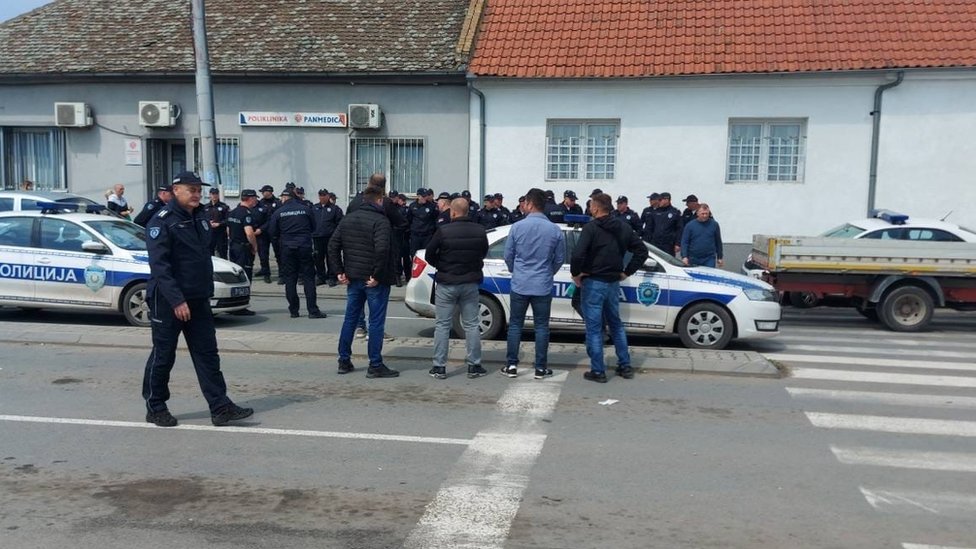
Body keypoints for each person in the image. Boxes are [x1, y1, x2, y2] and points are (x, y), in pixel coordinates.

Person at [142, 171, 253, 427]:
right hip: (169, 300)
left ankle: (220, 406)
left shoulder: (201, 217)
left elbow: (202, 258)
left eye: (198, 189)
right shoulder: (162, 221)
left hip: (198, 298)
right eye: (191, 189)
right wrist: (177, 300)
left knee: (207, 354)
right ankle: (155, 406)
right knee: (163, 355)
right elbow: (160, 267)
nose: (196, 194)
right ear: (175, 190)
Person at [571, 192, 648, 383]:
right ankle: (625, 365)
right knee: (616, 324)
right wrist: (626, 272)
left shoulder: (591, 228)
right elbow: (642, 251)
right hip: (613, 282)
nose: (589, 209)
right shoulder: (623, 227)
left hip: (594, 281)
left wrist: (576, 274)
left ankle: (598, 371)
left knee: (594, 327)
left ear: (596, 208)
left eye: (591, 206)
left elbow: (578, 254)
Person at [328, 186, 399, 378]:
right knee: (376, 322)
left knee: (350, 319)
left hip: (353, 277)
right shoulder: (381, 221)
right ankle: (375, 364)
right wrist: (376, 275)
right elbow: (382, 250)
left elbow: (332, 245)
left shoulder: (347, 219)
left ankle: (344, 360)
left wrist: (339, 271)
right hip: (374, 280)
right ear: (378, 201)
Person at [502, 188, 565, 379]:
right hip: (542, 283)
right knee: (542, 327)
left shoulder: (517, 227)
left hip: (520, 282)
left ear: (529, 204)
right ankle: (540, 368)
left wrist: (516, 270)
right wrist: (548, 272)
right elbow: (559, 259)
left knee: (515, 325)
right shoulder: (554, 229)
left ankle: (512, 365)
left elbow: (508, 255)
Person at [425, 198, 489, 380]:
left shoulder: (443, 231)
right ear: (467, 211)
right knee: (471, 325)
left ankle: (439, 367)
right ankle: (474, 365)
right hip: (470, 282)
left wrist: (442, 265)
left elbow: (430, 253)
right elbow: (483, 252)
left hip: (447, 282)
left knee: (442, 325)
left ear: (452, 212)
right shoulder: (479, 230)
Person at [269, 189, 324, 319]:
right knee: (308, 279)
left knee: (290, 279)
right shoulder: (305, 209)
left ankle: (294, 310)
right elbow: (314, 226)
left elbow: (272, 231)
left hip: (287, 248)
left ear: (285, 198)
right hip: (304, 246)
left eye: (282, 197)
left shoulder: (279, 212)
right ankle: (312, 310)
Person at [225, 190, 259, 316]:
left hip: (233, 246)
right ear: (249, 199)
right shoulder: (246, 213)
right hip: (243, 249)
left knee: (235, 275)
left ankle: (234, 304)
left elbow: (228, 230)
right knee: (245, 276)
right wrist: (254, 246)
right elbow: (249, 233)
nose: (256, 200)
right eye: (255, 198)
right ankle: (241, 305)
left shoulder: (233, 211)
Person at [312, 189, 343, 286]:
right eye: (320, 195)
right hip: (317, 237)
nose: (322, 197)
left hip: (330, 238)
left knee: (331, 258)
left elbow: (340, 224)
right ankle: (321, 276)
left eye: (324, 195)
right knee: (318, 258)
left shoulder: (335, 209)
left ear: (328, 196)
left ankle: (332, 277)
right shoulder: (314, 208)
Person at [680, 203, 724, 268]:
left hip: (709, 258)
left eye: (707, 213)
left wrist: (720, 257)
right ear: (697, 213)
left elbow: (718, 241)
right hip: (693, 258)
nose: (705, 216)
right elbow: (685, 242)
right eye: (702, 214)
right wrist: (684, 256)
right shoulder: (690, 225)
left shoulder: (714, 225)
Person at [253, 185, 280, 284]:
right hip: (263, 233)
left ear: (269, 192)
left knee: (278, 253)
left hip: (274, 232)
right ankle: (266, 273)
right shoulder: (260, 203)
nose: (262, 194)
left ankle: (282, 274)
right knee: (263, 254)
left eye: (264, 192)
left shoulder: (277, 203)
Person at [646, 191, 683, 256]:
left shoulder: (675, 212)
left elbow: (680, 229)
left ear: (667, 200)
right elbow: (649, 228)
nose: (658, 202)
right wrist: (648, 242)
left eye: (660, 200)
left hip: (669, 245)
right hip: (655, 243)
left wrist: (678, 243)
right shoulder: (654, 212)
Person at [408, 188, 438, 255]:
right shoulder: (412, 206)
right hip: (415, 236)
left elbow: (435, 218)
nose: (425, 198)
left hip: (427, 236)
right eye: (423, 196)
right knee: (414, 255)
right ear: (418, 196)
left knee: (426, 255)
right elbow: (409, 219)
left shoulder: (432, 206)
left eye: (426, 196)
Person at [202, 187, 229, 259]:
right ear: (210, 195)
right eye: (213, 194)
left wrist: (219, 224)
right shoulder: (205, 207)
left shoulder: (224, 207)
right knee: (209, 253)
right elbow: (202, 219)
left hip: (221, 234)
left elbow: (228, 219)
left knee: (222, 253)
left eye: (216, 194)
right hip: (209, 234)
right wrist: (208, 223)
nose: (214, 196)